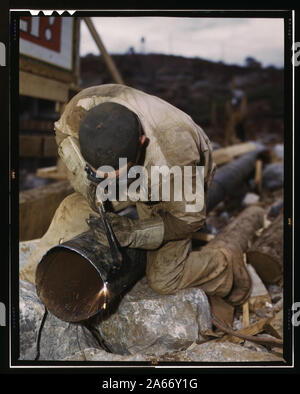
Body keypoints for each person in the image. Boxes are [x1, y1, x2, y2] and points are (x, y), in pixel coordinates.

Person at [20, 84, 248, 304]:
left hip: (170, 179)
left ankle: (225, 266)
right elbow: (63, 137)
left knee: (164, 279)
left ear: (142, 142)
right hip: (134, 166)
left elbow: (189, 220)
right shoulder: (81, 108)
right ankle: (29, 285)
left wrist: (134, 232)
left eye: (116, 175)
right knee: (72, 208)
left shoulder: (177, 153)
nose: (110, 184)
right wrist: (87, 183)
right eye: (100, 173)